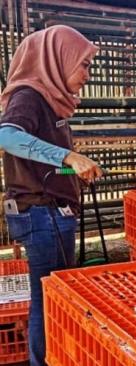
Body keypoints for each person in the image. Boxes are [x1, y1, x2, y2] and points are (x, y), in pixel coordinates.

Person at [0, 25, 103, 366]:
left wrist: (74, 169)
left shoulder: (50, 100)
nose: (88, 75)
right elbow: (7, 138)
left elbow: (39, 162)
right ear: (58, 59)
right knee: (48, 298)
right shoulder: (28, 96)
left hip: (52, 212)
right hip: (40, 215)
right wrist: (67, 157)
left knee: (54, 295)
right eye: (84, 64)